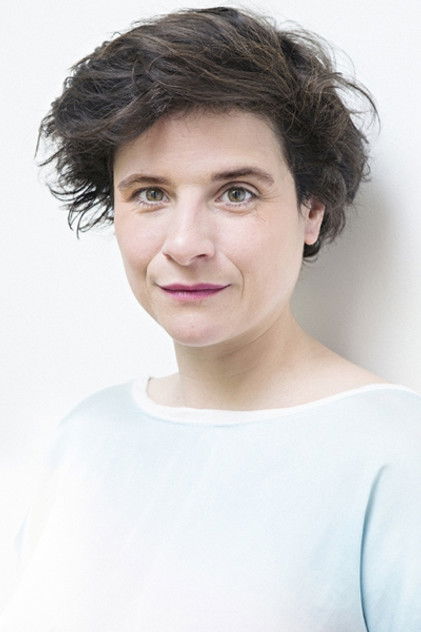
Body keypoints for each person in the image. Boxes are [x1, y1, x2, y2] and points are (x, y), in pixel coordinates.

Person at [1, 6, 420, 631]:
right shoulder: (85, 434)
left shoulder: (396, 455)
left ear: (311, 210)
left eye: (236, 193)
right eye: (151, 194)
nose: (185, 243)